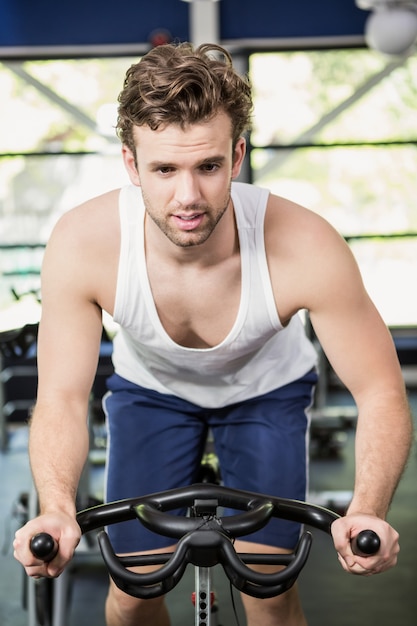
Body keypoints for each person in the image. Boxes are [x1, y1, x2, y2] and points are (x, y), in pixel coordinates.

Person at [14, 42, 412, 626]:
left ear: (238, 155)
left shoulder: (305, 246)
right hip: (151, 395)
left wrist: (367, 510)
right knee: (132, 592)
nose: (188, 198)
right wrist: (56, 509)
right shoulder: (84, 244)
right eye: (164, 169)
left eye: (207, 166)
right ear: (131, 164)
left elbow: (380, 392)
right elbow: (62, 398)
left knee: (268, 592)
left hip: (267, 394)